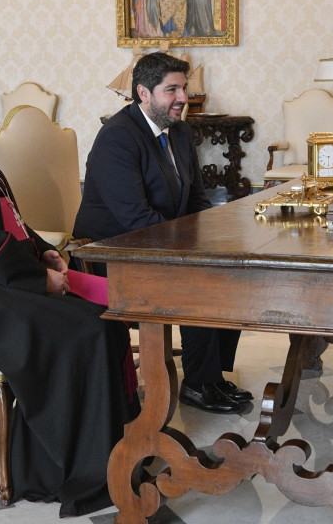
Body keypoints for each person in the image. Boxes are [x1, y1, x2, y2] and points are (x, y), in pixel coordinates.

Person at [0, 35, 140, 517]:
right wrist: (39, 281)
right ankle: (68, 471)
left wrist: (41, 252)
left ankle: (116, 449)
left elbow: (3, 216)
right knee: (84, 328)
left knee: (101, 312)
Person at [73, 52, 252, 414]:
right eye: (171, 90)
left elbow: (197, 200)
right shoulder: (117, 139)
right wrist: (193, 248)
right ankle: (199, 385)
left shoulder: (182, 132)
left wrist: (218, 237)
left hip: (157, 244)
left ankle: (210, 376)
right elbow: (136, 219)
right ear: (143, 93)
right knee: (198, 277)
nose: (183, 98)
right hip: (113, 254)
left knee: (228, 267)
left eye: (183, 88)